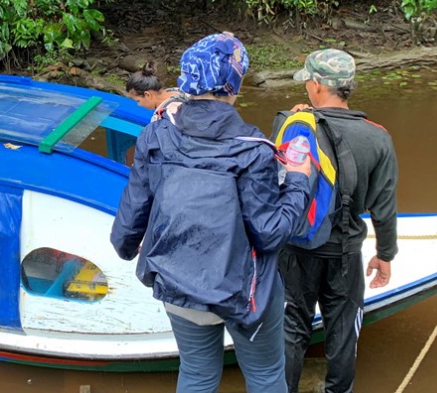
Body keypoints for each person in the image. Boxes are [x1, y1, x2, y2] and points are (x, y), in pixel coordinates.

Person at [111, 32, 312, 393]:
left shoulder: (156, 135)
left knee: (198, 374)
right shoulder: (253, 149)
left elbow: (128, 225)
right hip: (244, 291)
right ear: (234, 87)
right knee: (266, 376)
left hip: (175, 279)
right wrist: (298, 180)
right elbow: (269, 233)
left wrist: (127, 249)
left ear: (185, 80)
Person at [278, 49, 398, 393]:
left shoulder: (292, 124)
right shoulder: (378, 138)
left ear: (316, 85)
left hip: (297, 249)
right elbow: (384, 207)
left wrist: (298, 116)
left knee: (292, 327)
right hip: (345, 251)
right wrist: (385, 254)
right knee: (344, 330)